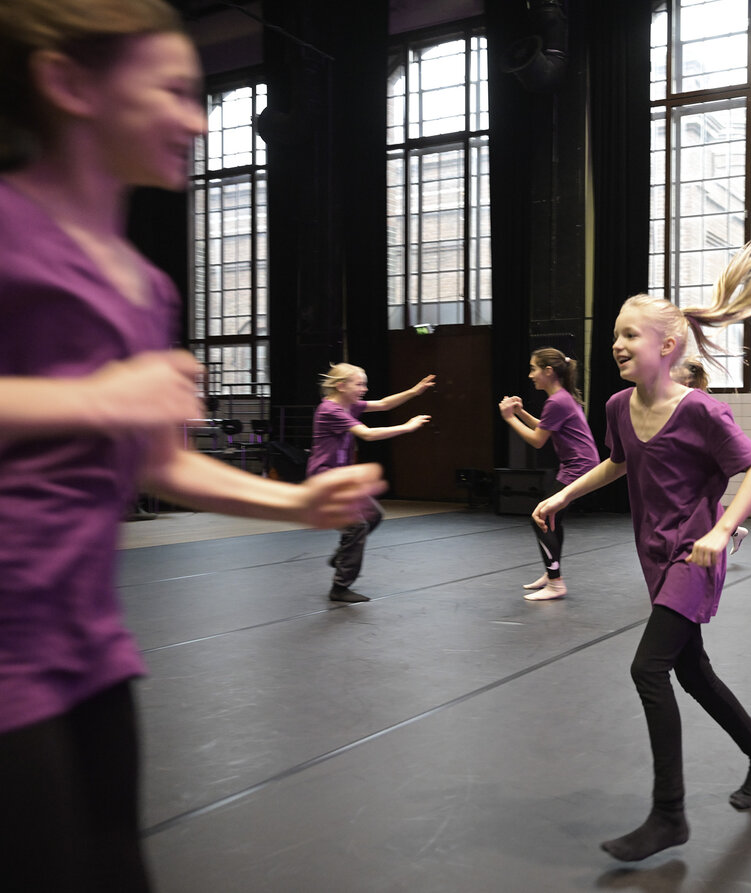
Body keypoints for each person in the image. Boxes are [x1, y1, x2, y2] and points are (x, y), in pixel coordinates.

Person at [0, 3, 385, 890]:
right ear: (68, 86)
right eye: (171, 92)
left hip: (88, 646)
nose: (197, 119)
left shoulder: (146, 287)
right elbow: (102, 411)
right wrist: (92, 396)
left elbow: (154, 462)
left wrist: (294, 503)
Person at [534, 242, 751, 862]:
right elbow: (616, 464)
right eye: (616, 337)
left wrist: (718, 531)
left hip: (694, 558)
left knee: (648, 669)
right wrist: (565, 494)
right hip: (653, 555)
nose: (618, 345)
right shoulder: (617, 407)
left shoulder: (702, 410)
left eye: (630, 335)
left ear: (668, 346)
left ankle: (669, 815)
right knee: (692, 671)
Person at [309, 364, 434, 603]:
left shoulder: (349, 405)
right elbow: (366, 434)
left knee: (373, 515)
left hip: (342, 479)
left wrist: (414, 391)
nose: (364, 389)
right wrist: (407, 427)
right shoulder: (330, 410)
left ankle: (342, 556)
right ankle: (340, 586)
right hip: (326, 481)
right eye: (359, 384)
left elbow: (384, 404)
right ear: (341, 385)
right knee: (357, 526)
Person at [498, 349, 600, 600]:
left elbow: (537, 440)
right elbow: (546, 427)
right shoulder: (561, 398)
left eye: (534, 369)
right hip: (576, 465)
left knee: (541, 517)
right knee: (553, 519)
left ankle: (555, 582)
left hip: (579, 466)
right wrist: (521, 413)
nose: (531, 375)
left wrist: (510, 418)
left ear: (548, 371)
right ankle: (552, 572)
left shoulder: (557, 400)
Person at [671, 357, 748, 555]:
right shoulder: (673, 401)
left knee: (700, 507)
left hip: (701, 465)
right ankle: (735, 531)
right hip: (685, 465)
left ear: (685, 379)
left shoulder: (702, 405)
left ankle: (730, 531)